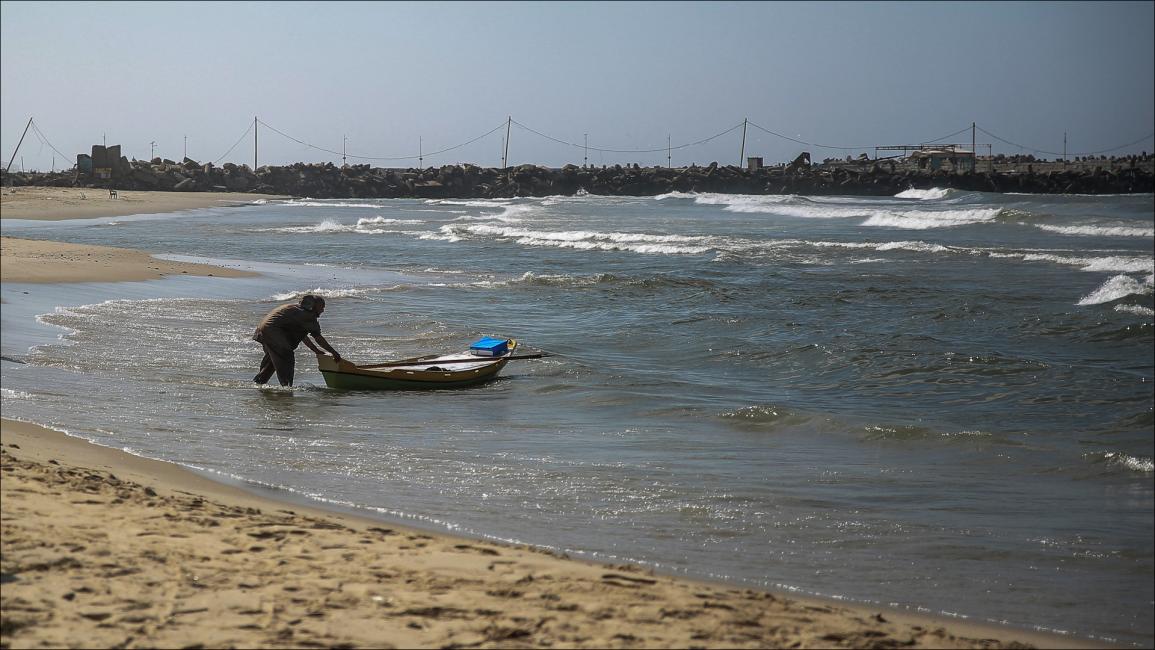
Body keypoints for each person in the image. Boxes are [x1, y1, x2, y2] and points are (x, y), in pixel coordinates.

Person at [253, 294, 341, 387]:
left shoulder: (296, 310)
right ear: (312, 306)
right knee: (287, 357)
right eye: (321, 307)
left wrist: (316, 351)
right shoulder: (308, 316)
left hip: (263, 332)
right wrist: (334, 353)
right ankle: (286, 388)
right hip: (274, 332)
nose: (323, 310)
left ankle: (259, 384)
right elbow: (318, 338)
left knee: (272, 362)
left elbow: (303, 337)